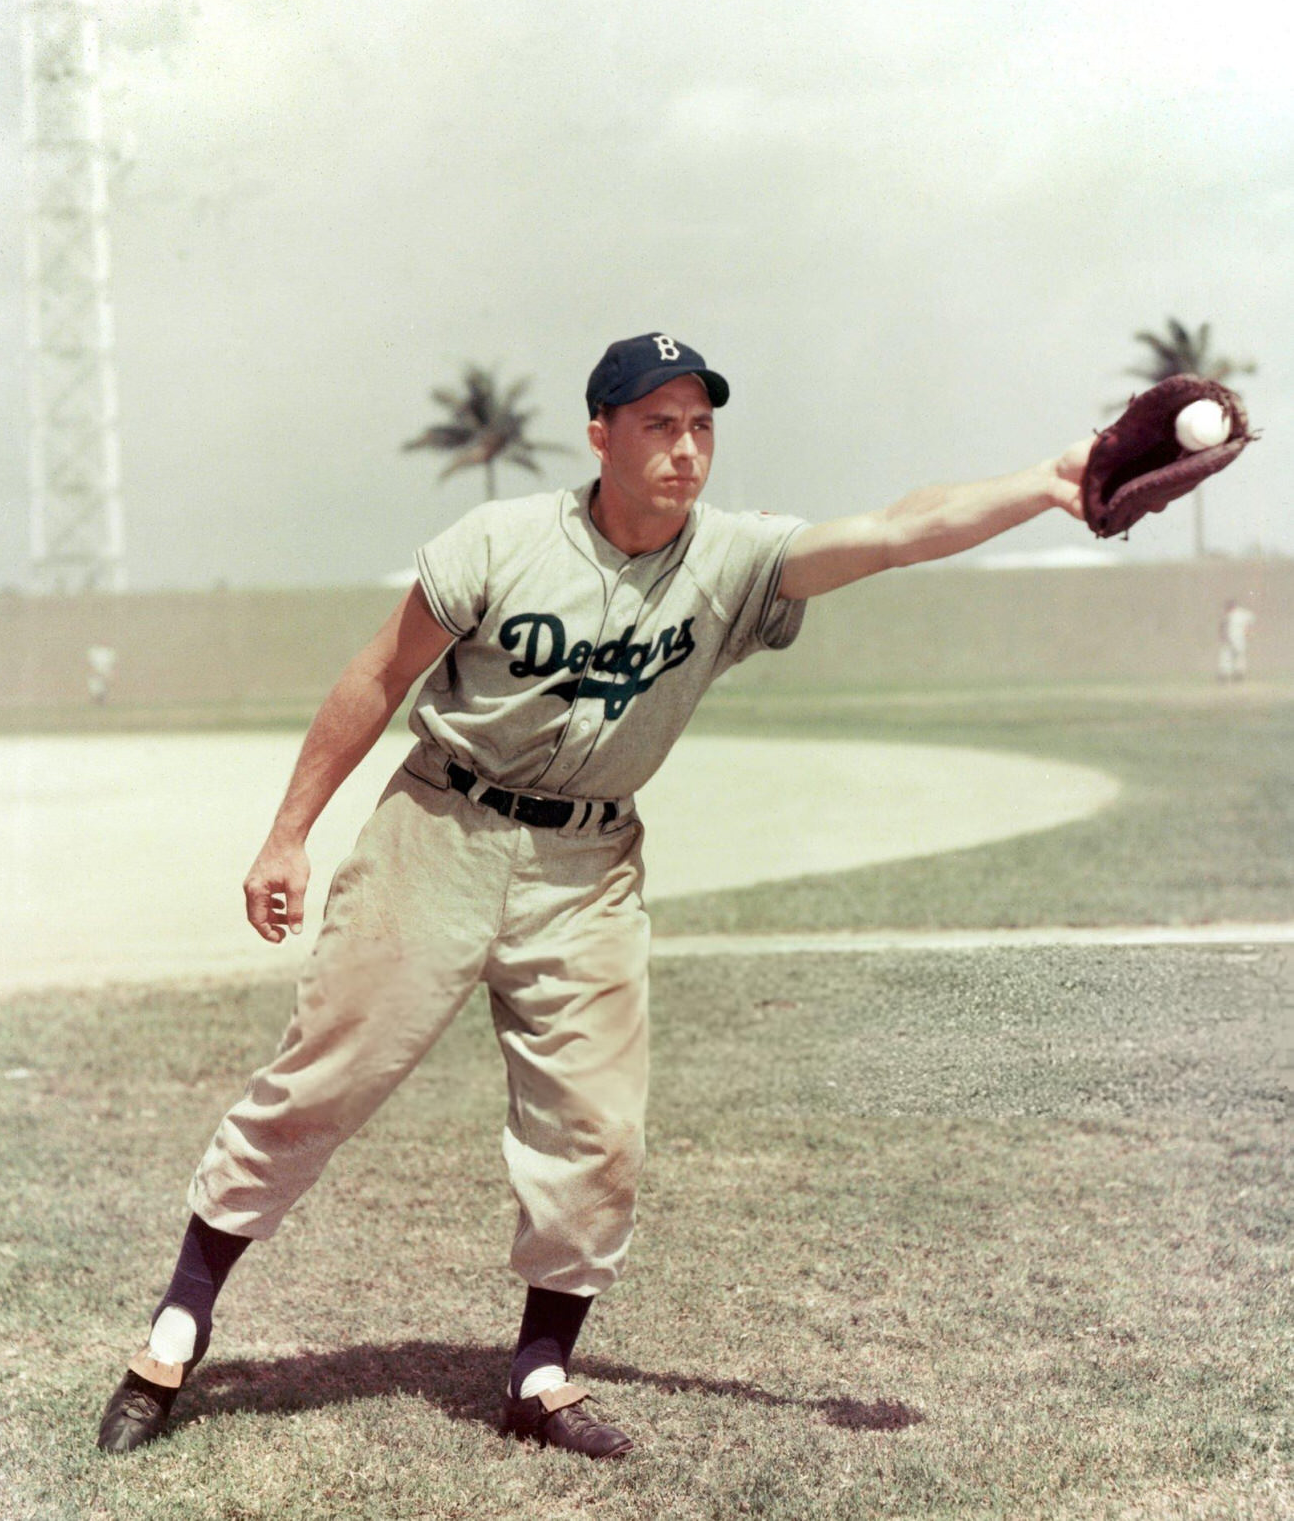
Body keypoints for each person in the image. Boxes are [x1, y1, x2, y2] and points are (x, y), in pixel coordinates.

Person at [96, 332, 1098, 1460]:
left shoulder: (732, 558)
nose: (684, 448)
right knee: (324, 1081)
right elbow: (378, 674)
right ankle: (178, 1325)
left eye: (701, 425)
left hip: (588, 870)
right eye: (657, 423)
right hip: (442, 830)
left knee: (595, 1126)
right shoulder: (501, 541)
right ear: (600, 434)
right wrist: (287, 836)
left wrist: (1045, 484)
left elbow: (892, 532)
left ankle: (539, 1374)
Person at [1217, 598, 1256, 683]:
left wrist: (1248, 631)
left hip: (1237, 638)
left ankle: (1234, 675)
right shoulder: (1235, 614)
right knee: (1231, 656)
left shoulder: (1237, 614)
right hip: (1232, 639)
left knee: (1233, 656)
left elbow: (1250, 621)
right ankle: (1230, 674)